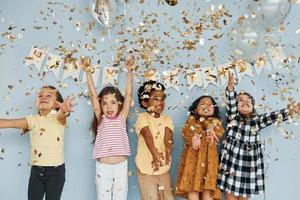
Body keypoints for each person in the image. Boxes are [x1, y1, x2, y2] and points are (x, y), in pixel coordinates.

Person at [217, 71, 300, 200]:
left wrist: (292, 110)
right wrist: (230, 88)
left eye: (248, 100)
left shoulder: (257, 120)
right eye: (241, 100)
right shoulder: (233, 118)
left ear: (253, 106)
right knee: (230, 194)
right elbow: (231, 105)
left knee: (244, 196)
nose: (245, 101)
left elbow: (273, 116)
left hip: (250, 162)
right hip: (232, 160)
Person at [0, 85, 74, 200]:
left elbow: (62, 115)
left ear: (56, 103)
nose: (43, 97)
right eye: (40, 96)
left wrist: (63, 110)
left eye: (48, 95)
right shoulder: (32, 120)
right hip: (36, 172)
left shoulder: (57, 118)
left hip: (56, 172)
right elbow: (10, 123)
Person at [82, 55, 134, 200]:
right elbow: (93, 95)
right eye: (104, 103)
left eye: (113, 102)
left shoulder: (123, 116)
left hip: (121, 167)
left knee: (120, 197)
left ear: (119, 103)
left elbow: (128, 94)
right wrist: (87, 72)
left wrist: (129, 72)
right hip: (103, 169)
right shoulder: (101, 118)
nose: (109, 106)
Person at [176, 95, 224, 200]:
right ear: (195, 109)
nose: (206, 106)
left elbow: (217, 131)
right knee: (193, 185)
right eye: (202, 104)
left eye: (210, 105)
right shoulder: (191, 121)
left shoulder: (216, 122)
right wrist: (195, 136)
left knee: (208, 188)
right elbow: (186, 133)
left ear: (214, 109)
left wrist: (208, 129)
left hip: (209, 162)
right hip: (193, 161)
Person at [135, 80, 174, 200]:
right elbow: (148, 136)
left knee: (167, 197)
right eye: (155, 99)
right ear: (145, 102)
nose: (160, 102)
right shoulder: (142, 118)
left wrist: (167, 150)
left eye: (162, 99)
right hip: (146, 171)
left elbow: (168, 137)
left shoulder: (167, 119)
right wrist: (154, 154)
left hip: (163, 170)